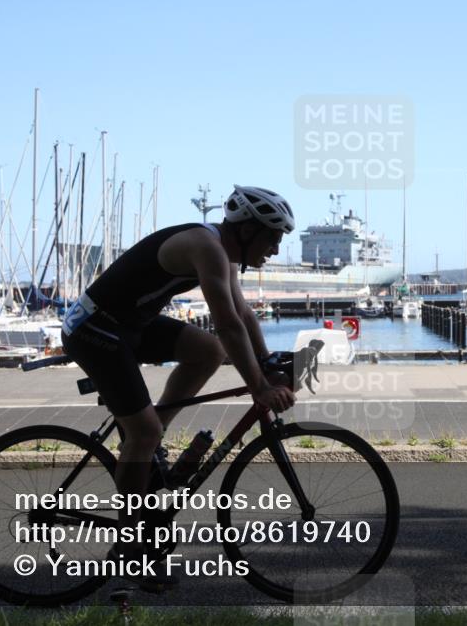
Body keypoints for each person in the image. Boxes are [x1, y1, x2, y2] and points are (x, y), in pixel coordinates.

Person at [60, 185, 297, 590]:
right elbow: (227, 323)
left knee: (209, 351)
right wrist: (259, 387)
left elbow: (243, 314)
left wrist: (266, 362)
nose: (275, 250)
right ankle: (130, 548)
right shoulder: (206, 247)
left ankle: (152, 442)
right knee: (143, 432)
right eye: (273, 239)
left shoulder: (223, 253)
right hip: (93, 328)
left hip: (128, 323)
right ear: (247, 230)